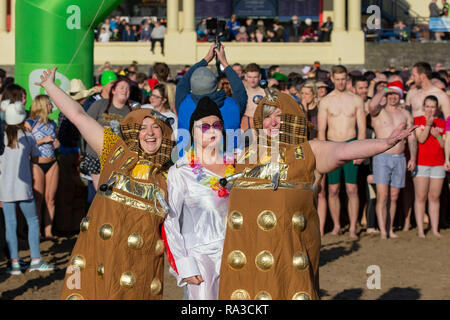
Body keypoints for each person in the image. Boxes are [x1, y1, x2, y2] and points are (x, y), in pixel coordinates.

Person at [218, 88, 417, 300]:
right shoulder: (245, 154)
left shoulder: (308, 151)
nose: (273, 123)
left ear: (292, 119)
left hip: (288, 254)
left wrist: (384, 143)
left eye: (280, 116)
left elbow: (344, 150)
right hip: (247, 255)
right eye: (267, 117)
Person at [36, 67, 175, 300]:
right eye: (143, 128)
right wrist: (50, 86)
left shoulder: (170, 174)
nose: (150, 133)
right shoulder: (115, 151)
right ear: (132, 133)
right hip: (102, 255)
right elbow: (79, 116)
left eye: (155, 128)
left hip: (139, 265)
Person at [164, 97, 232, 300]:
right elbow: (171, 220)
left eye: (217, 125)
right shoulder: (181, 171)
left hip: (235, 253)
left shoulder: (236, 167)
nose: (211, 130)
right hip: (200, 257)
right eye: (204, 126)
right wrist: (184, 264)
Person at [0, 99, 55, 274]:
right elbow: (35, 156)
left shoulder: (2, 136)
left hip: (5, 189)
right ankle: (36, 260)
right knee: (32, 221)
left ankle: (15, 262)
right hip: (23, 187)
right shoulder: (27, 135)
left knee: (11, 224)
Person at [318, 65, 366, 238]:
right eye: (337, 79)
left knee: (352, 189)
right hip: (332, 146)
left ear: (347, 79)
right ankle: (337, 225)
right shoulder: (326, 101)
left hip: (351, 144)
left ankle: (353, 227)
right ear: (332, 78)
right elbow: (321, 130)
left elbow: (361, 127)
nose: (340, 82)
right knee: (333, 189)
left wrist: (360, 151)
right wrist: (323, 152)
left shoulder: (356, 100)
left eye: (343, 79)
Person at [175, 44, 247, 157]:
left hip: (188, 167)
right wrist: (225, 63)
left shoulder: (183, 103)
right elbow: (240, 91)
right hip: (227, 167)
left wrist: (206, 59)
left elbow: (182, 84)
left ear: (192, 87)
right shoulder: (232, 105)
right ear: (215, 86)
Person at [369, 81, 417, 239]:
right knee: (382, 196)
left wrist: (413, 157)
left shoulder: (405, 114)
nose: (393, 97)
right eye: (391, 94)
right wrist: (383, 90)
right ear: (387, 95)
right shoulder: (379, 111)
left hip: (400, 158)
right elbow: (371, 106)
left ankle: (390, 229)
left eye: (396, 94)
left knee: (394, 196)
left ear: (400, 96)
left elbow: (412, 138)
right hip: (382, 157)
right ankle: (383, 230)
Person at [82, 78, 133, 205]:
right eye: (121, 87)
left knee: (113, 195)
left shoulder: (129, 112)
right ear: (114, 90)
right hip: (95, 155)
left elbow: (131, 138)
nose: (125, 91)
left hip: (116, 159)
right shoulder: (100, 105)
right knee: (102, 193)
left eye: (127, 89)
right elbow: (85, 125)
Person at [25, 95, 60, 241]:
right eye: (50, 104)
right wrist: (42, 140)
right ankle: (36, 232)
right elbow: (26, 144)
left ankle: (48, 232)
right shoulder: (30, 123)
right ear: (43, 105)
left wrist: (56, 143)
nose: (52, 106)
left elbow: (56, 141)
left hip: (52, 162)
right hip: (36, 163)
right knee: (38, 199)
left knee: (50, 199)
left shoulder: (52, 123)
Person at [413, 95, 446, 238]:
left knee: (434, 197)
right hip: (421, 164)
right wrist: (427, 125)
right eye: (427, 106)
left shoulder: (443, 123)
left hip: (438, 163)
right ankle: (421, 230)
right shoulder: (417, 121)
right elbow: (420, 139)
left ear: (437, 108)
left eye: (433, 107)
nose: (430, 110)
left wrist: (438, 136)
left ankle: (435, 229)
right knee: (421, 197)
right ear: (423, 107)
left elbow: (445, 145)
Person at [241, 63, 266, 131]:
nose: (252, 80)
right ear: (245, 76)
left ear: (260, 77)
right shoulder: (241, 93)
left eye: (255, 77)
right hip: (245, 128)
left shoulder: (265, 93)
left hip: (261, 128)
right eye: (250, 77)